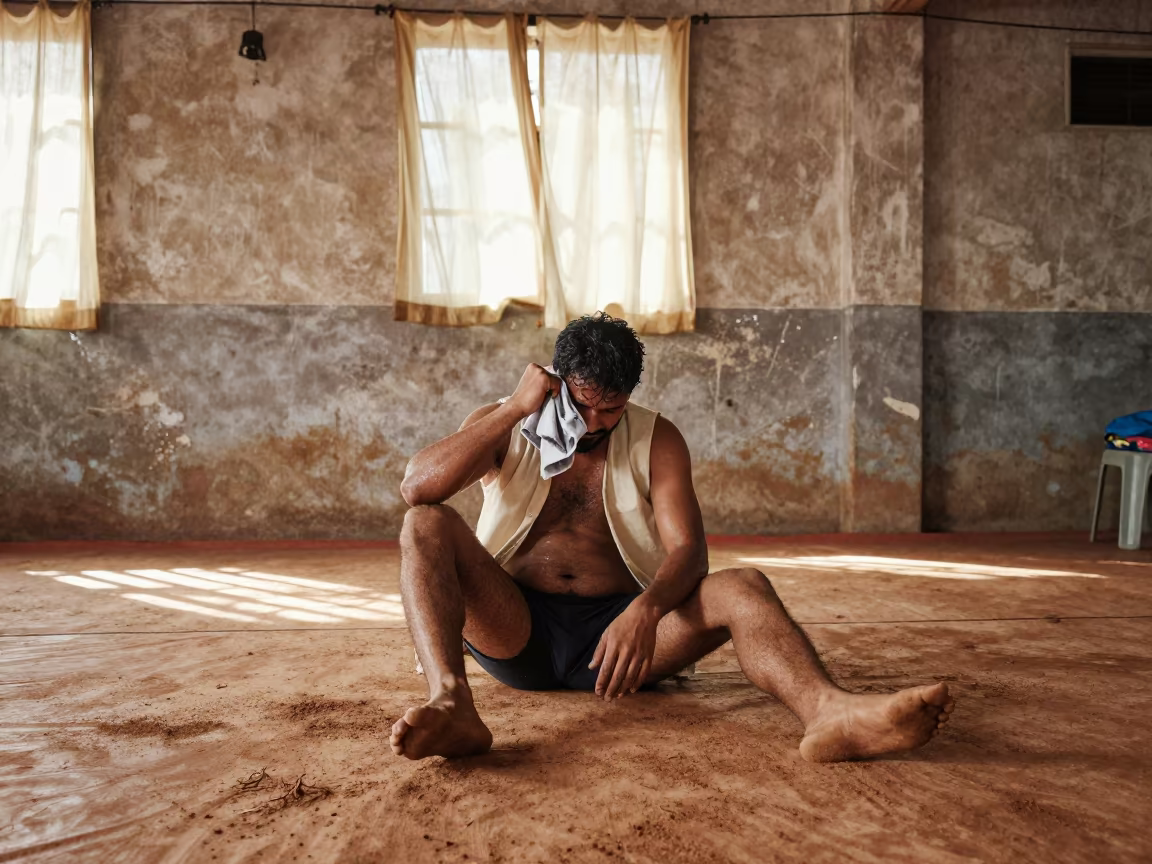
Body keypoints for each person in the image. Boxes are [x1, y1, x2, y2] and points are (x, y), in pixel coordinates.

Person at [391, 313, 952, 762]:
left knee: (744, 586)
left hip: (619, 641)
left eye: (611, 409)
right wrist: (516, 408)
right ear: (556, 382)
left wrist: (647, 611)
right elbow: (419, 488)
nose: (593, 422)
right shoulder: (505, 422)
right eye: (581, 405)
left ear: (629, 395)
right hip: (516, 626)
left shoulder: (657, 438)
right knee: (425, 524)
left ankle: (831, 713)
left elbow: (690, 553)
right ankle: (452, 702)